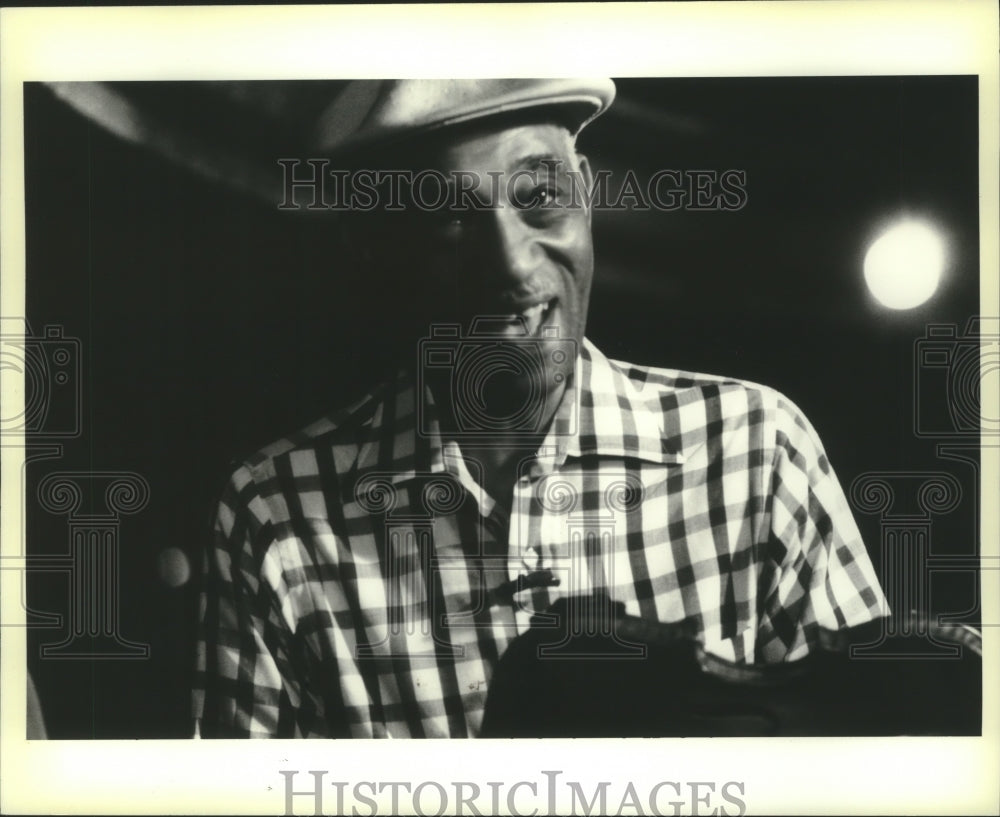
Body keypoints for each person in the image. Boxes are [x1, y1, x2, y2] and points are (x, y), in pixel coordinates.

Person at [192, 79, 888, 738]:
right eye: (448, 215)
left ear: (584, 193)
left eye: (541, 197)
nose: (512, 265)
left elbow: (880, 771)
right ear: (375, 243)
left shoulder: (756, 452)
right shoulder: (274, 517)